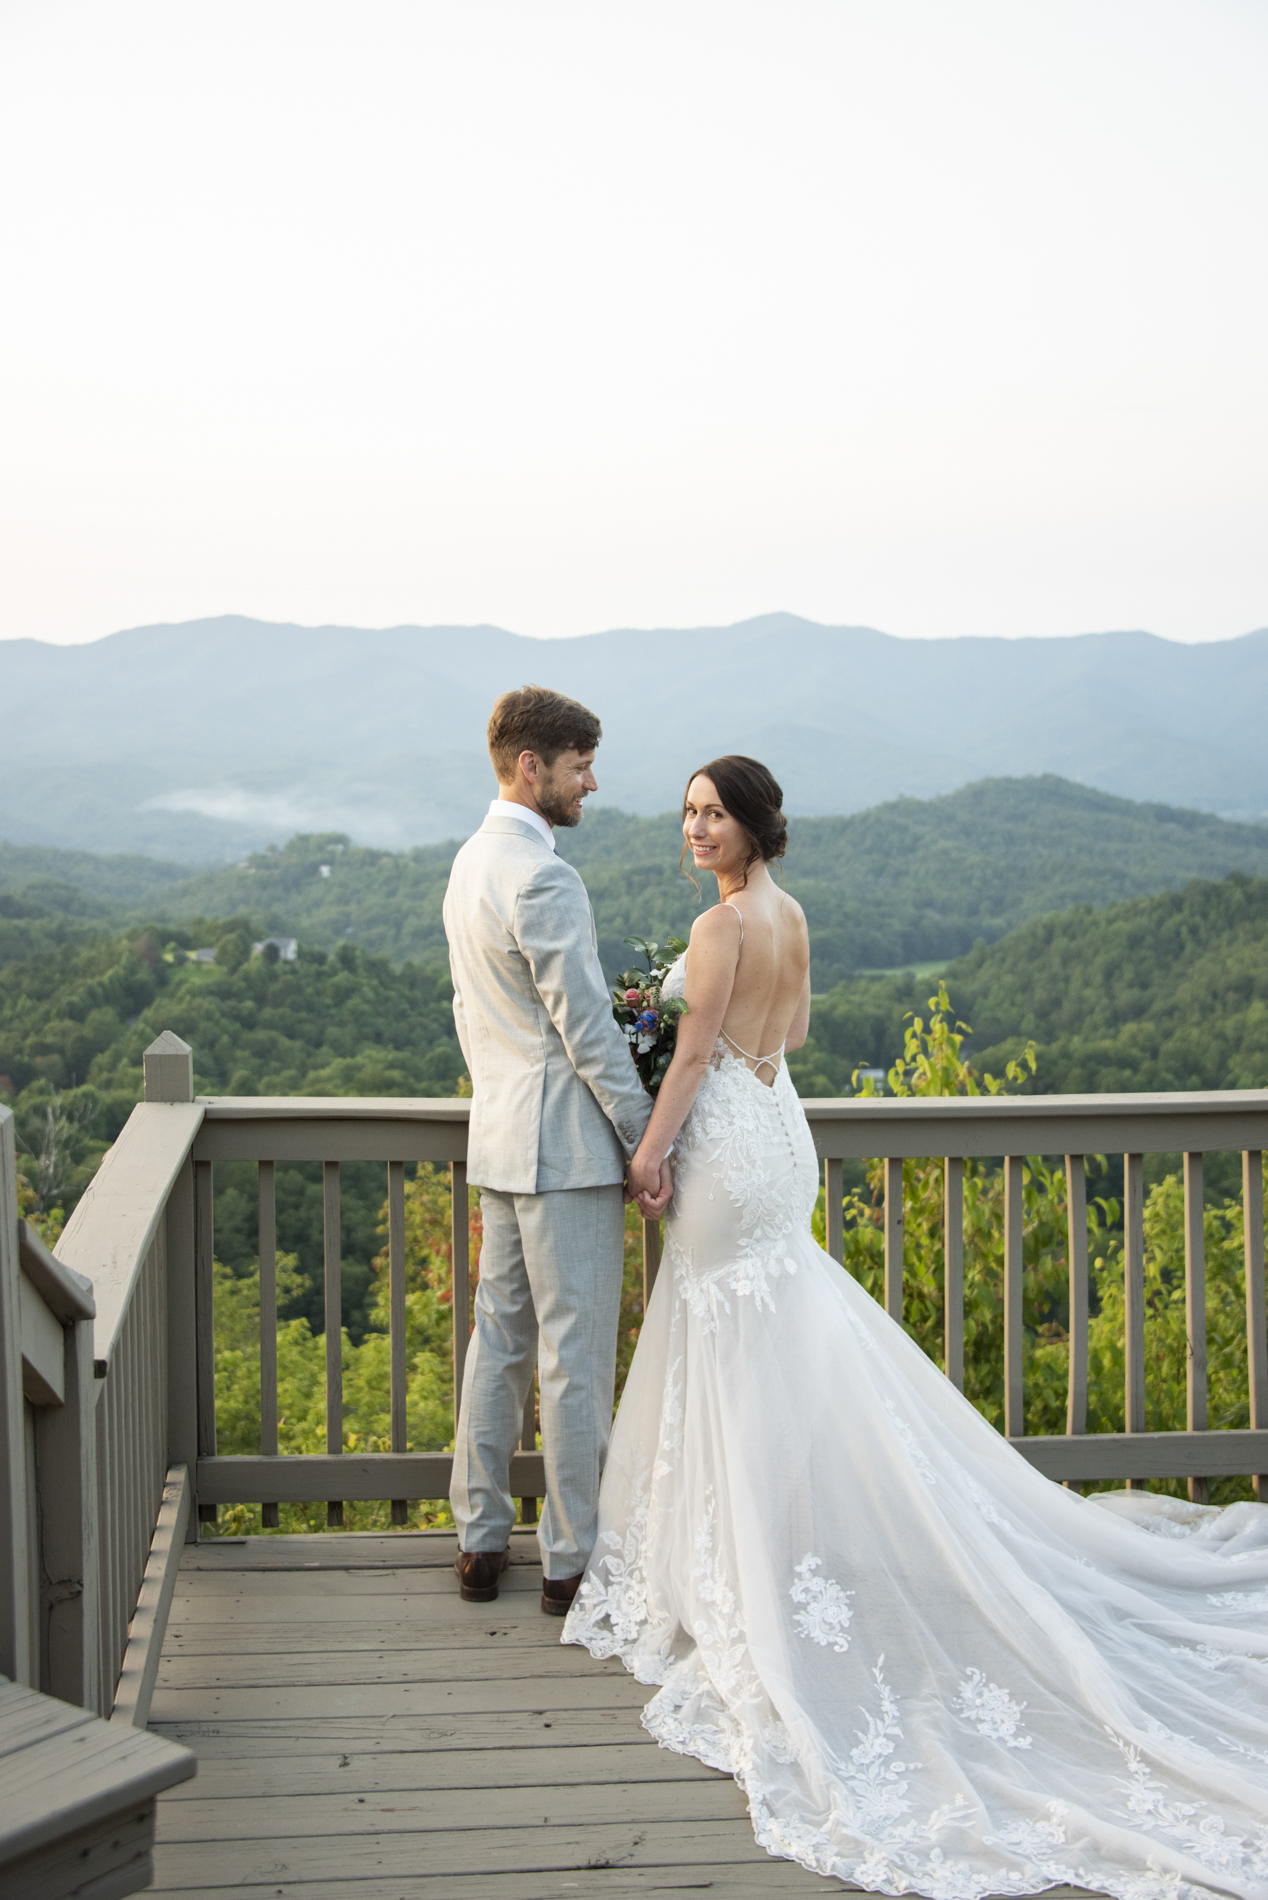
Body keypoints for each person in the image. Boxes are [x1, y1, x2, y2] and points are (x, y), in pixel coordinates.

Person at [564, 754, 1268, 1900]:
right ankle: (760, 1543)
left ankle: (739, 1564)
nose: (694, 828)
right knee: (770, 1336)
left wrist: (646, 1151)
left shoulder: (716, 929)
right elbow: (770, 1042)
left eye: (714, 813)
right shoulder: (788, 914)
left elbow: (693, 1055)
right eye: (687, 812)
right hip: (782, 1137)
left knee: (725, 1344)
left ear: (753, 824)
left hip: (728, 1150)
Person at [443, 685, 672, 1616]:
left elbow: (471, 1014)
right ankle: (571, 1559)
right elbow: (583, 1024)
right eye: (579, 766)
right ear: (531, 766)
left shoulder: (468, 862)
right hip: (565, 1151)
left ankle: (478, 1541)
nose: (590, 784)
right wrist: (642, 1135)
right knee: (574, 1357)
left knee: (497, 1343)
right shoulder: (544, 876)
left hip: (499, 1138)